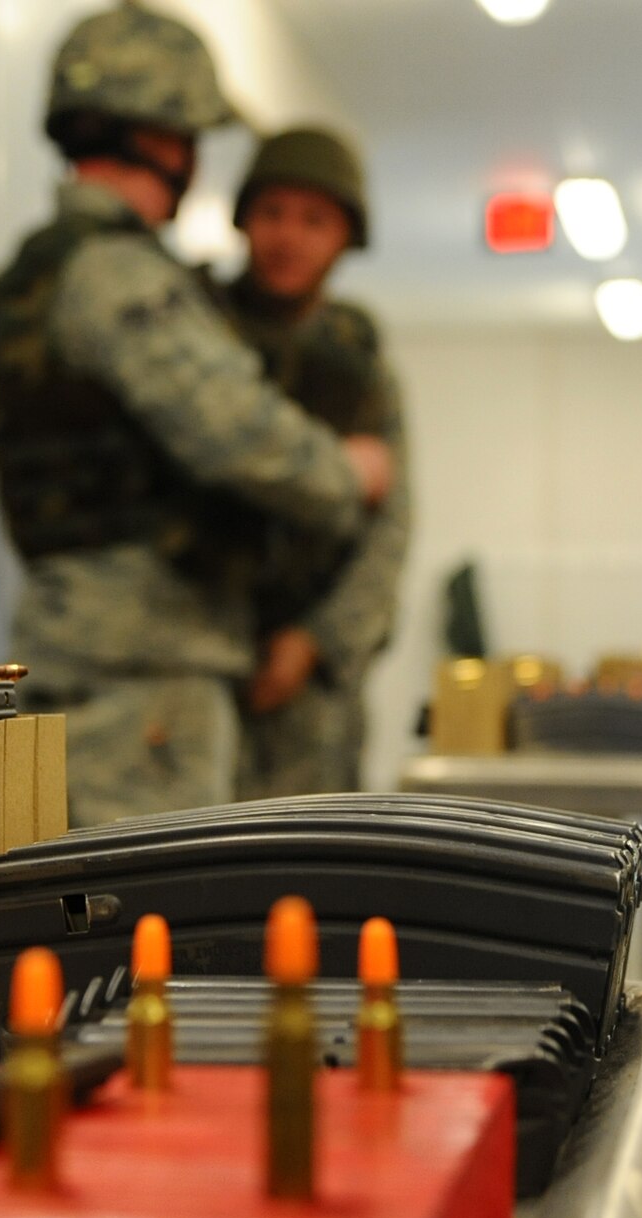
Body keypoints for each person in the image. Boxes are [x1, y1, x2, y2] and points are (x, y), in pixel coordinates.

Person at [0, 5, 395, 827]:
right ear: (159, 139)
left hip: (96, 659)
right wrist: (349, 470)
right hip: (145, 680)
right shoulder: (119, 274)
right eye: (191, 139)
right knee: (152, 938)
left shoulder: (36, 273)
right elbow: (242, 435)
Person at [223, 127, 411, 798]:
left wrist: (314, 642)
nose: (287, 237)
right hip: (206, 661)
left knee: (311, 872)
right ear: (244, 218)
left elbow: (389, 529)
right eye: (272, 213)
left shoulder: (357, 361)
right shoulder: (202, 334)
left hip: (316, 688)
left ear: (344, 236)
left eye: (314, 220)